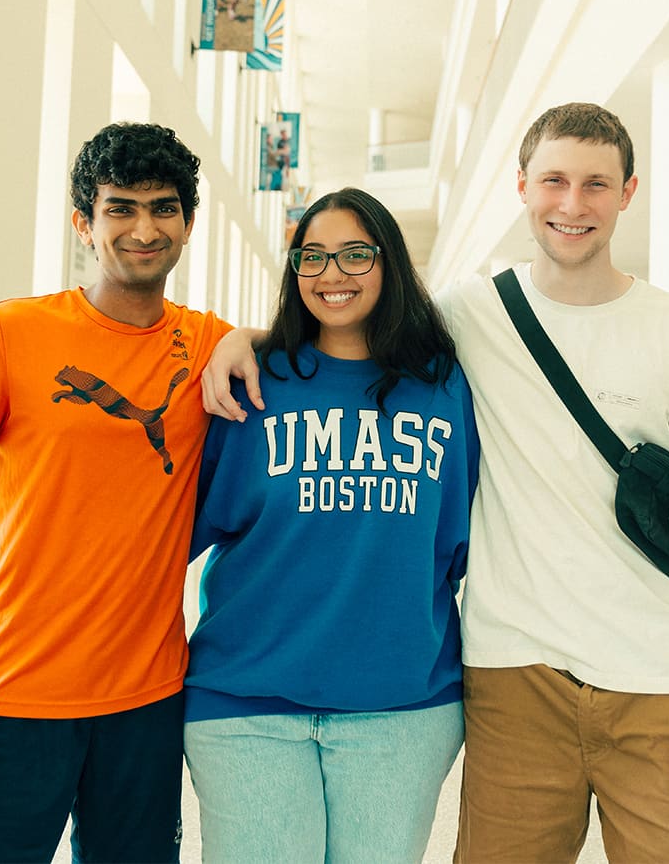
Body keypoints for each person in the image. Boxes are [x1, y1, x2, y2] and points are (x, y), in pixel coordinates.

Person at [199, 103, 669, 863]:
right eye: (555, 181)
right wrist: (242, 340)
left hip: (661, 678)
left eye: (596, 185)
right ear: (522, 187)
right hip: (514, 681)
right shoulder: (469, 316)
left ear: (629, 192)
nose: (573, 205)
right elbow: (349, 319)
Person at [0, 122, 233, 863]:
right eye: (120, 208)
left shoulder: (213, 343)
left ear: (187, 222)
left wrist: (253, 340)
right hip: (17, 693)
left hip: (147, 702)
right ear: (83, 222)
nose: (144, 228)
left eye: (164, 208)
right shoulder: (10, 334)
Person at [183, 187, 479, 863]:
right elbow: (190, 527)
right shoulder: (253, 382)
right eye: (311, 257)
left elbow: (458, 535)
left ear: (389, 262)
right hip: (245, 701)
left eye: (354, 254)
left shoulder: (442, 384)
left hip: (401, 707)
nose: (331, 274)